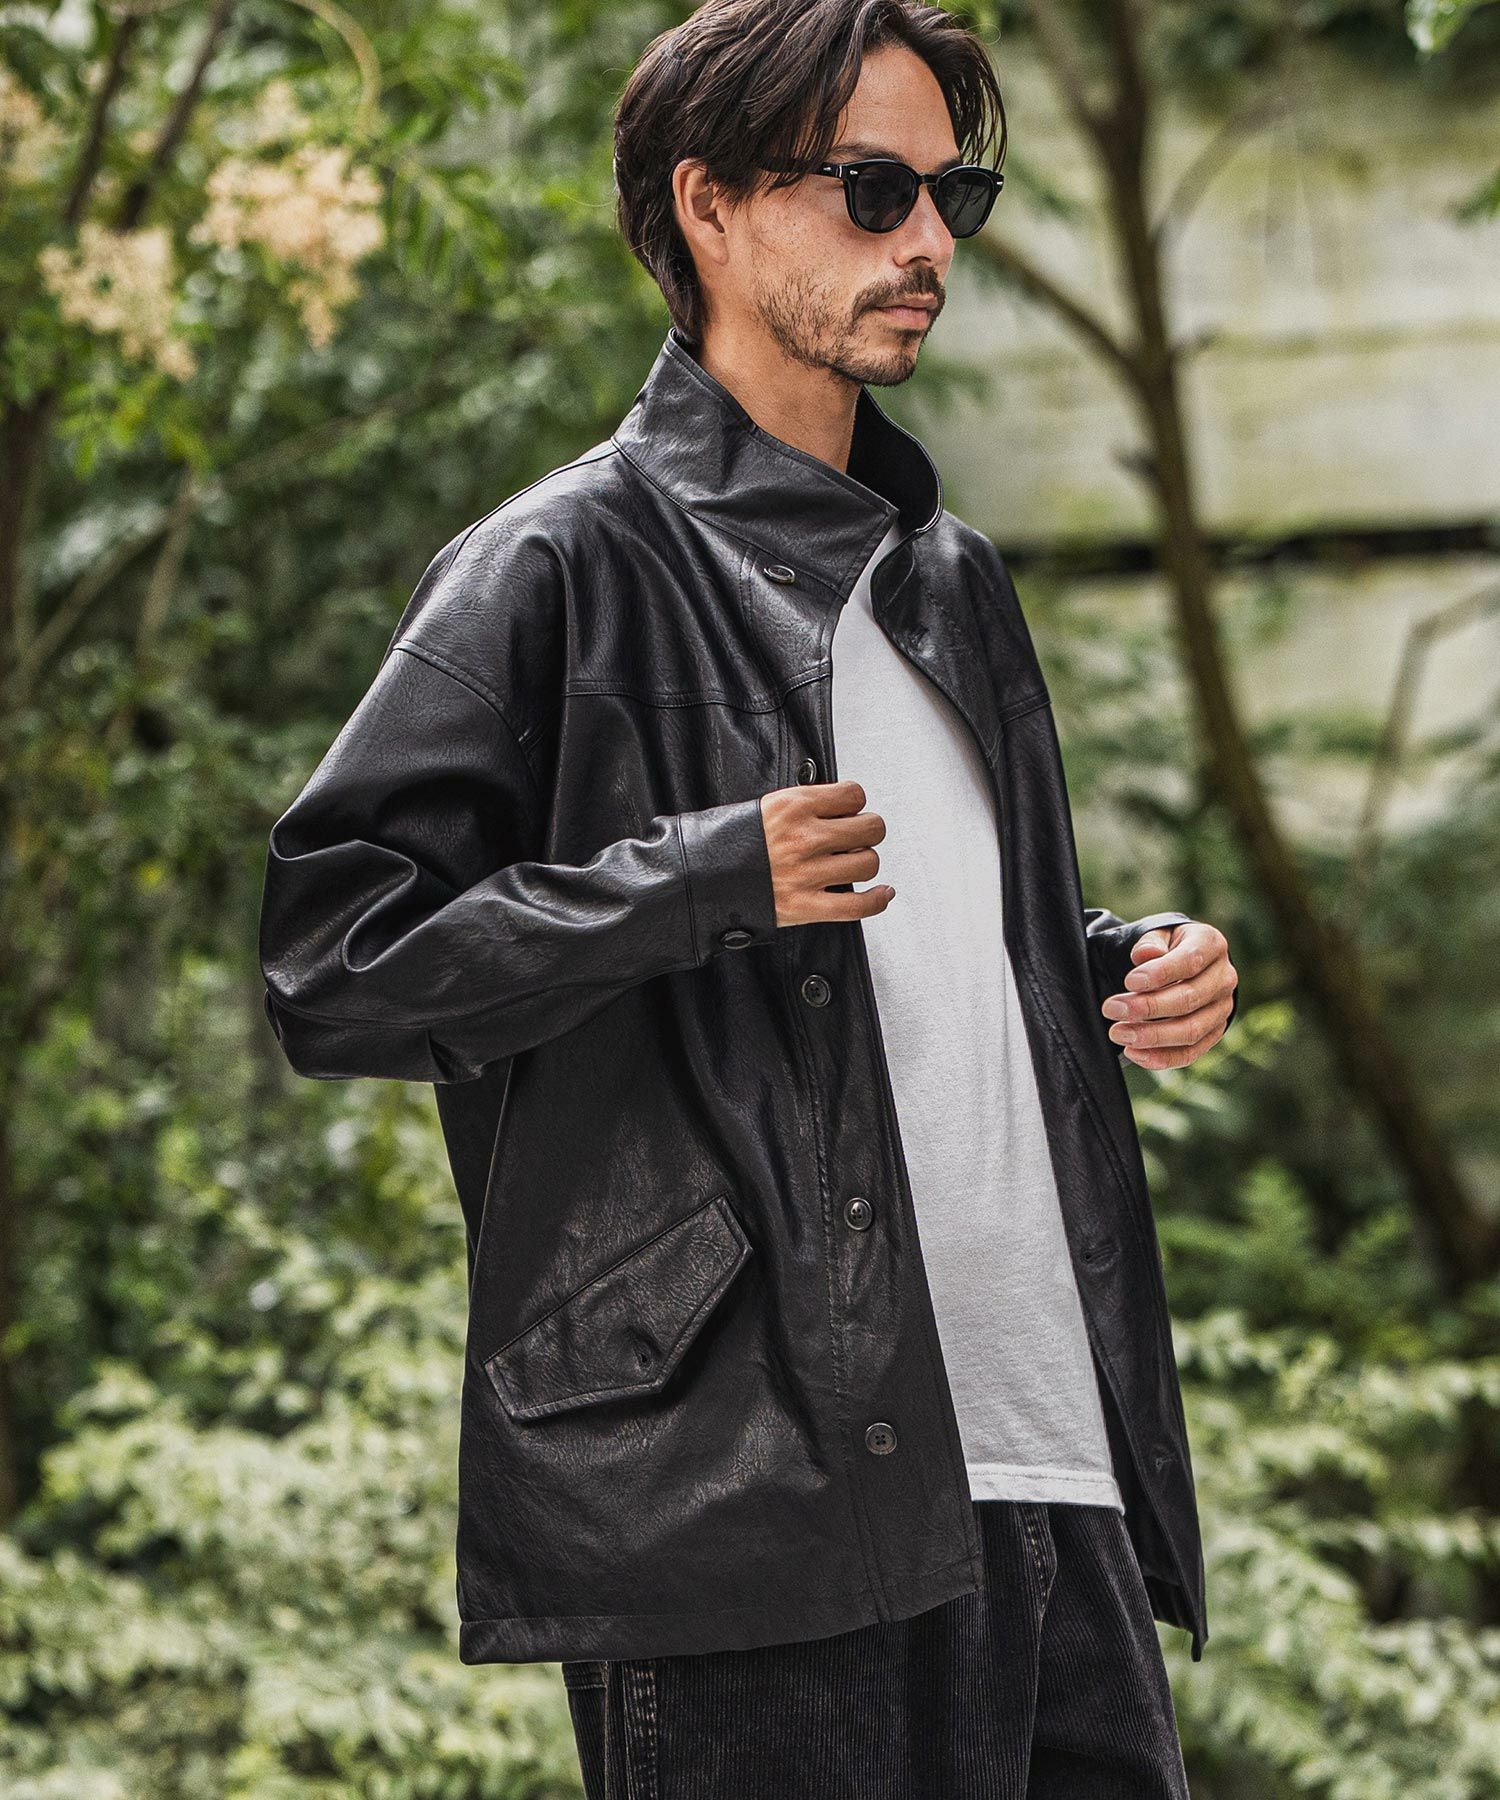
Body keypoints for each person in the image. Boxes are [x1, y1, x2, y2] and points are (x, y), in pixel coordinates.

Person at [258, 1, 1238, 1793]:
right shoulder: (555, 565)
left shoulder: (952, 583)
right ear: (709, 206)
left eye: (954, 195)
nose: (929, 242)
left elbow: (937, 948)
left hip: (1053, 1472)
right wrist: (699, 877)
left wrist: (1118, 964)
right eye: (873, 190)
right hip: (749, 1501)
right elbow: (338, 968)